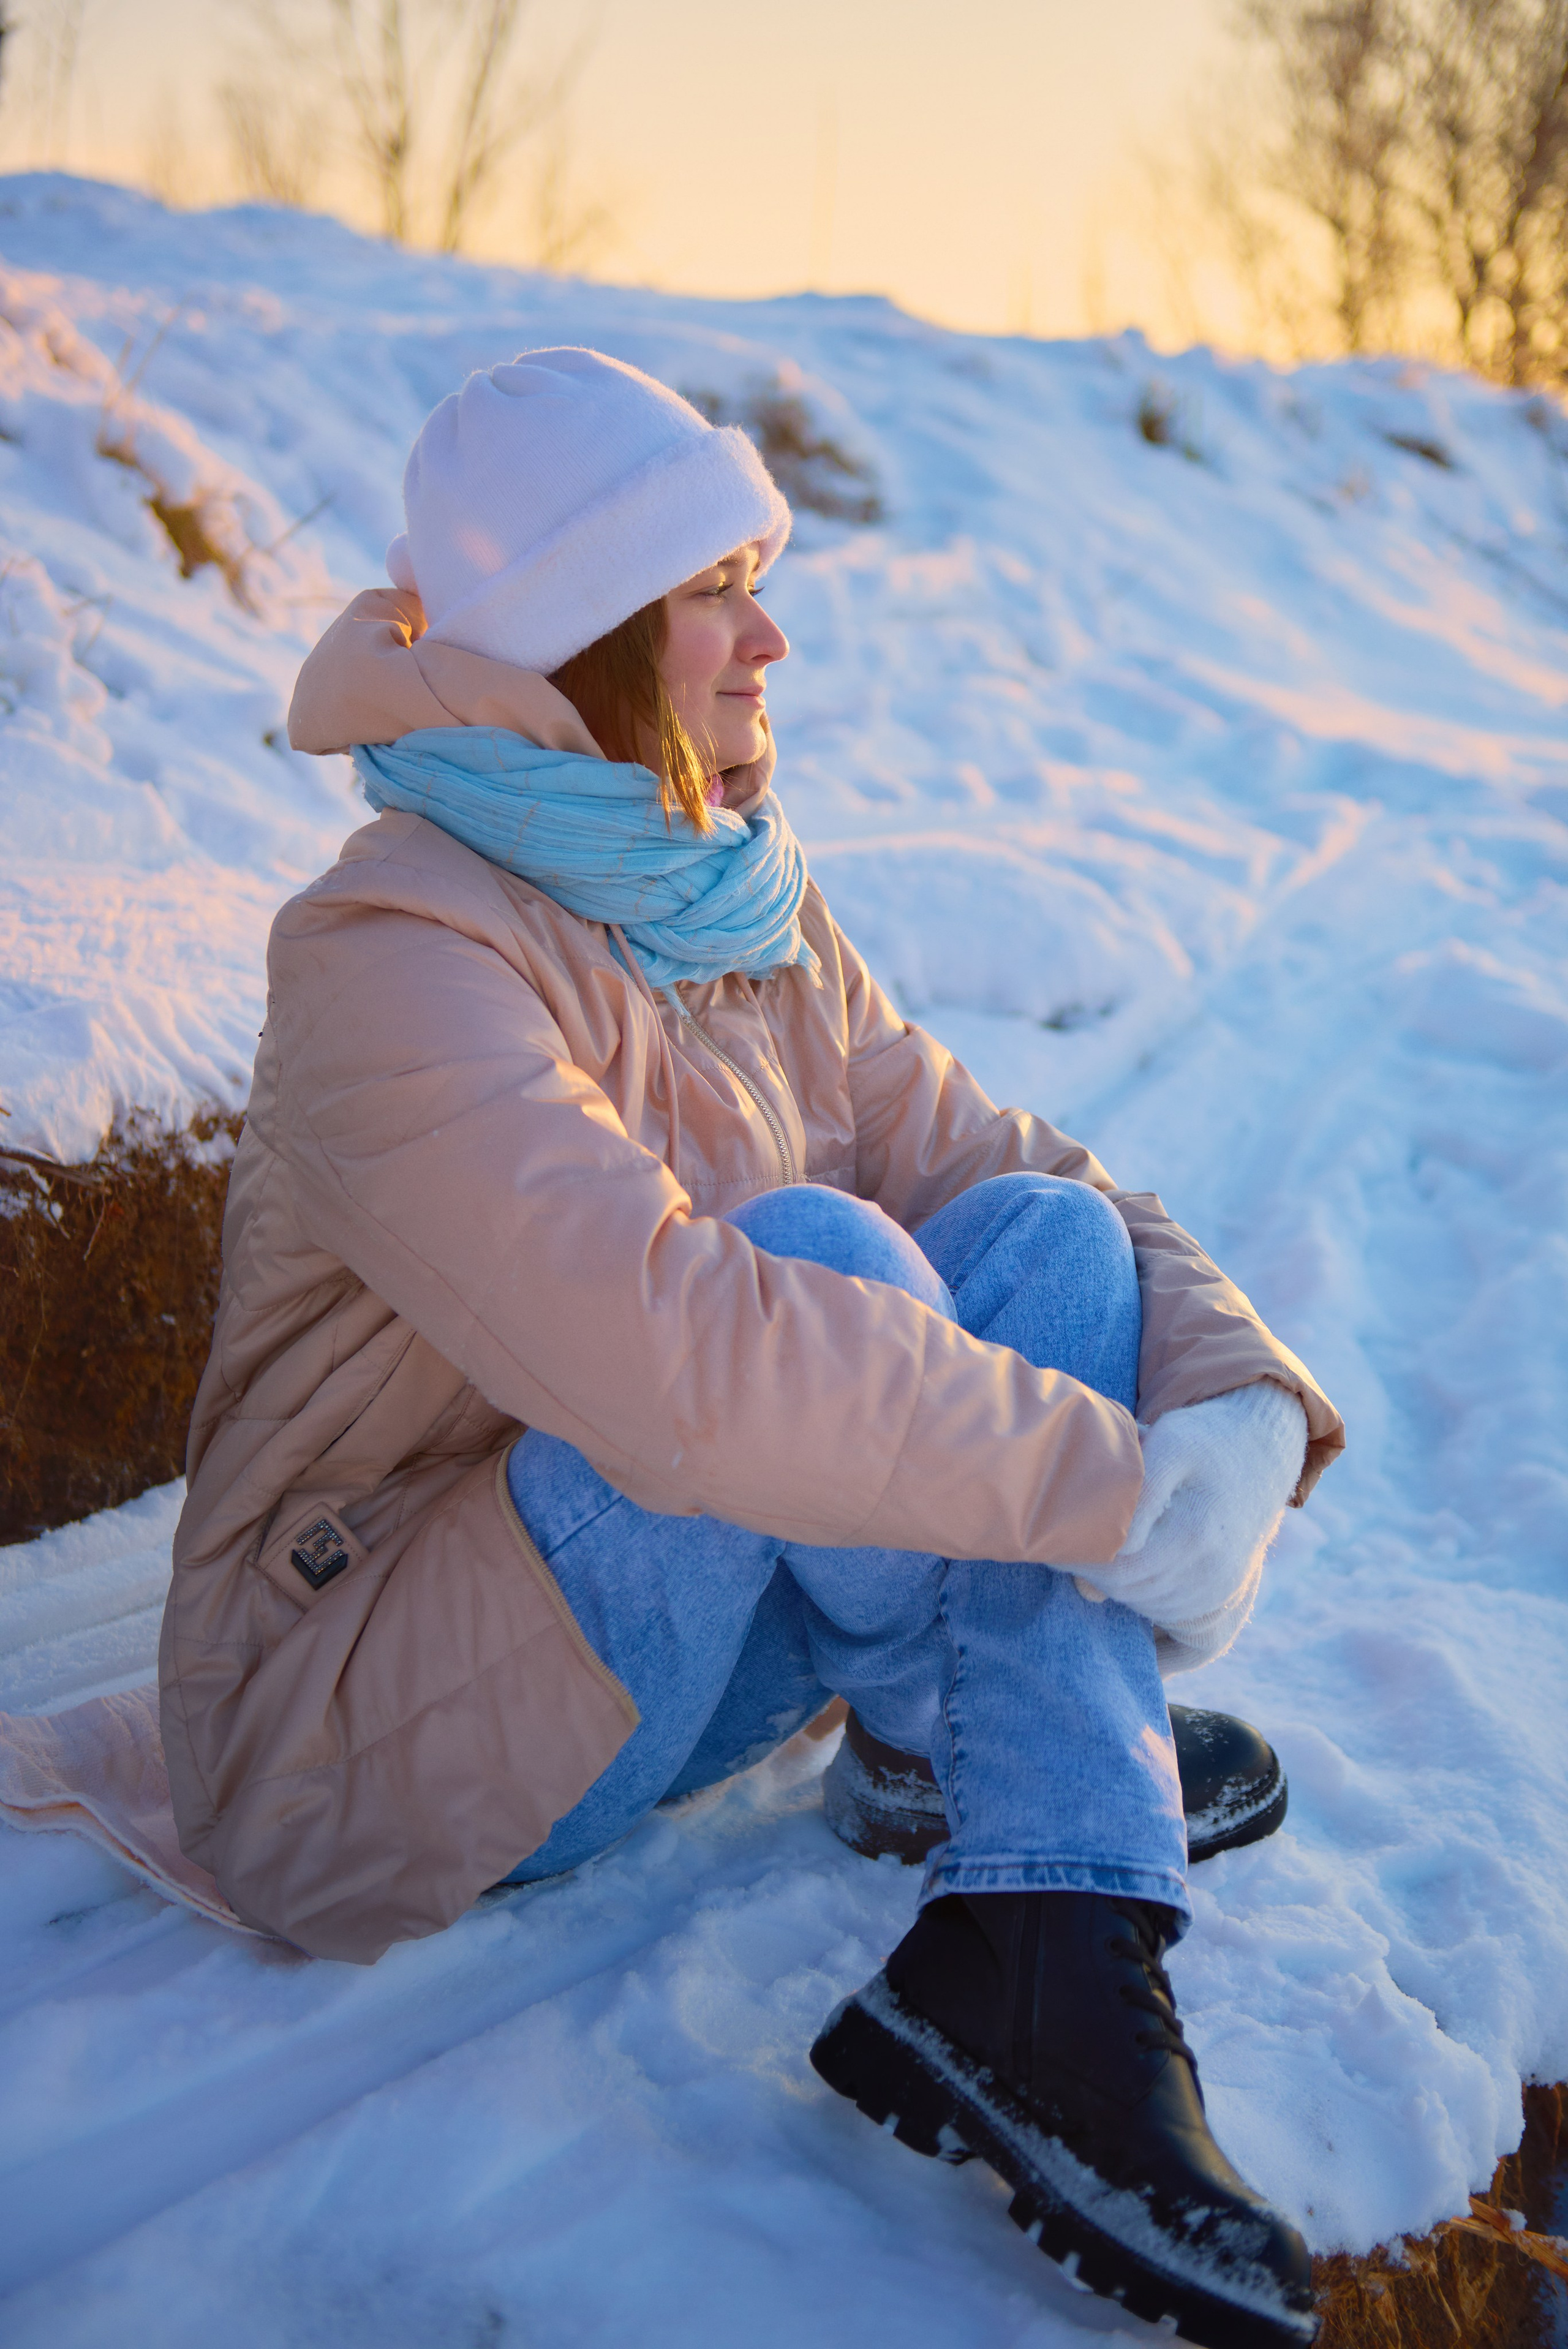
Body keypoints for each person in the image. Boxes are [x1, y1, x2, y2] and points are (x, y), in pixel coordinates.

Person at [162, 348, 1343, 2349]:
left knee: (1039, 1240)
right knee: (805, 1255)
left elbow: (1008, 1156)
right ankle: (1056, 1929)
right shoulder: (391, 955)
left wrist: (1232, 1395)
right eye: (716, 583)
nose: (772, 632)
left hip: (646, 1638)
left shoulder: (732, 896)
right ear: (586, 627)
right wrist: (1116, 1499)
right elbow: (681, 1360)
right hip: (363, 1737)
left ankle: (966, 1792)